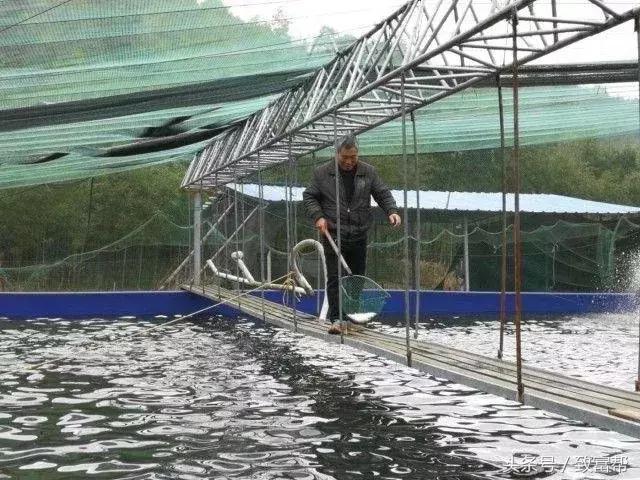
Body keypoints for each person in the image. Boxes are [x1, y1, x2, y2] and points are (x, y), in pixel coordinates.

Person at [302, 134, 401, 334]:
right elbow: (309, 196)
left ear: (358, 154)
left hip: (358, 233)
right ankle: (337, 319)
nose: (348, 161)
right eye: (345, 157)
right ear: (337, 154)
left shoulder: (368, 172)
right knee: (335, 277)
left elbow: (382, 193)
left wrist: (392, 211)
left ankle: (353, 317)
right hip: (333, 234)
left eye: (353, 157)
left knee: (356, 277)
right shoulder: (322, 173)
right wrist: (318, 216)